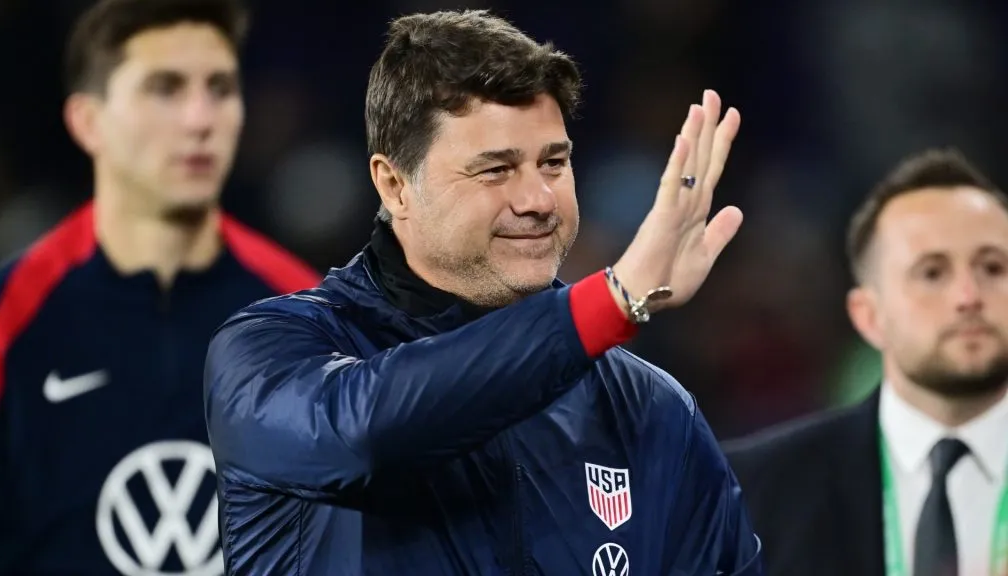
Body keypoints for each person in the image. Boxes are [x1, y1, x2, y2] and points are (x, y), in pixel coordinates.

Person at [204, 9, 762, 575]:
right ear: (395, 185)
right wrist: (611, 302)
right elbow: (362, 436)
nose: (538, 199)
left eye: (554, 162)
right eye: (496, 170)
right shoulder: (270, 351)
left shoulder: (651, 409)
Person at [0, 0, 321, 574]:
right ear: (87, 120)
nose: (199, 118)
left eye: (220, 88)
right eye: (164, 89)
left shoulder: (309, 319)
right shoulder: (1, 323)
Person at [723, 148, 1008, 576]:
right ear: (868, 316)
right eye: (932, 273)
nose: (968, 296)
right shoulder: (751, 490)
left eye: (993, 267)